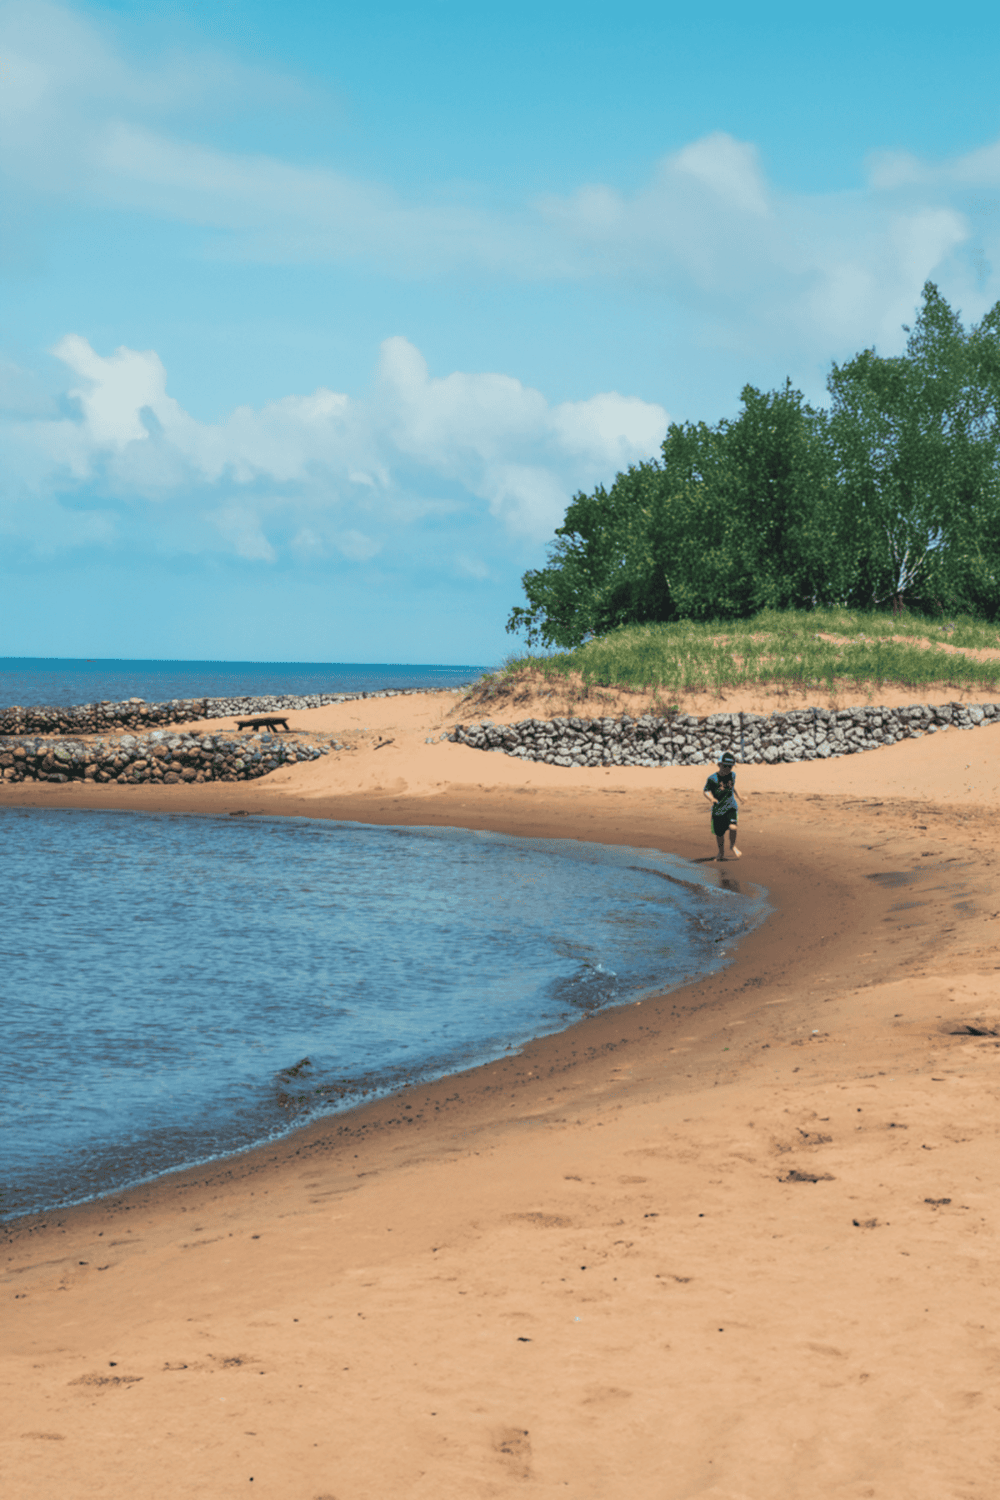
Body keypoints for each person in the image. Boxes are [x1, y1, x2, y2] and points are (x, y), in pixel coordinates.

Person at [703, 751, 741, 860]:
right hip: (718, 809)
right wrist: (711, 798)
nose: (728, 769)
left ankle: (733, 846)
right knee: (719, 834)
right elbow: (705, 791)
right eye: (725, 766)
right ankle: (721, 853)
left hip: (731, 806)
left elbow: (733, 787)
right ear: (719, 765)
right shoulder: (712, 778)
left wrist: (740, 797)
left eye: (730, 767)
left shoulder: (732, 775)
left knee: (733, 827)